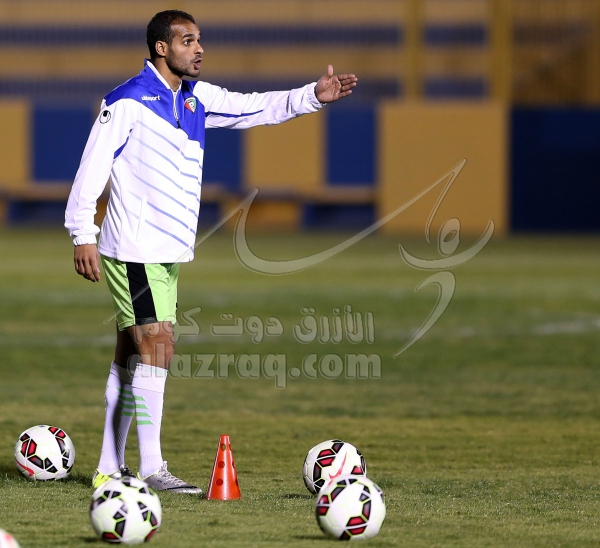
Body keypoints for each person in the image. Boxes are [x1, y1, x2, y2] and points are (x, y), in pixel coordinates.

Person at [65, 9, 358, 494]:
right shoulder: (127, 100)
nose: (198, 48)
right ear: (161, 48)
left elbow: (253, 107)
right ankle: (151, 467)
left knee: (132, 352)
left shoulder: (196, 99)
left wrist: (312, 95)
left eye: (199, 39)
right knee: (158, 345)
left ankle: (108, 467)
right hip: (134, 247)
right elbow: (91, 166)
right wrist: (82, 233)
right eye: (187, 41)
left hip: (167, 251)